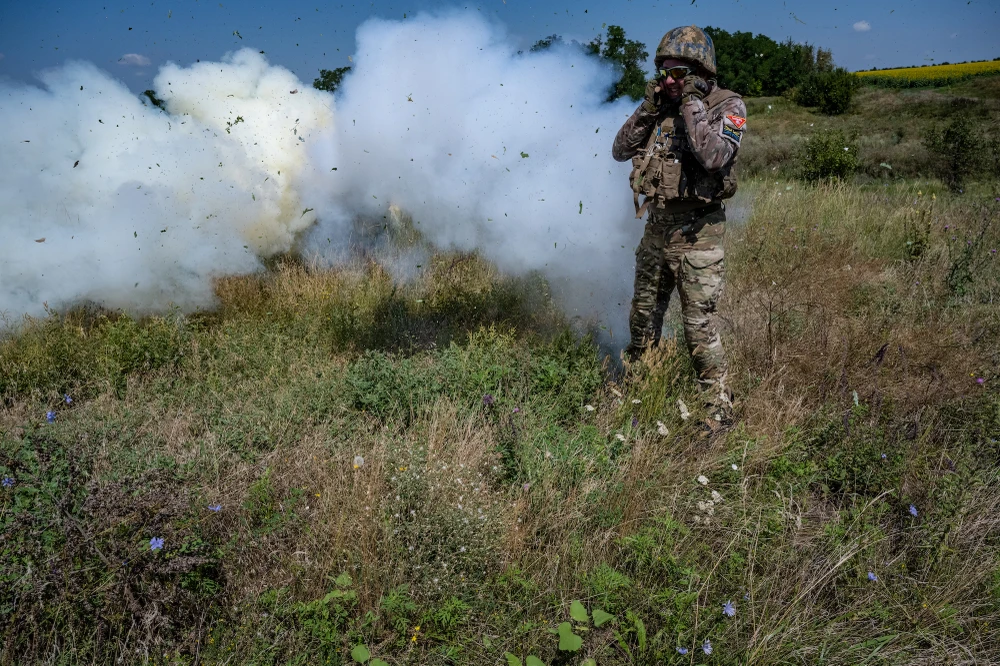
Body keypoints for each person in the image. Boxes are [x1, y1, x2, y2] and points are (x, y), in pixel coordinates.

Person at [612, 25, 746, 427]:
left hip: (698, 234)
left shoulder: (728, 105)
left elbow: (713, 156)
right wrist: (648, 107)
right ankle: (638, 394)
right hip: (657, 228)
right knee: (643, 318)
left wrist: (691, 102)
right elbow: (619, 150)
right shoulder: (660, 109)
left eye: (680, 74)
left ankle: (719, 411)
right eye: (665, 73)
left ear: (701, 72)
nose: (670, 81)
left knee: (697, 327)